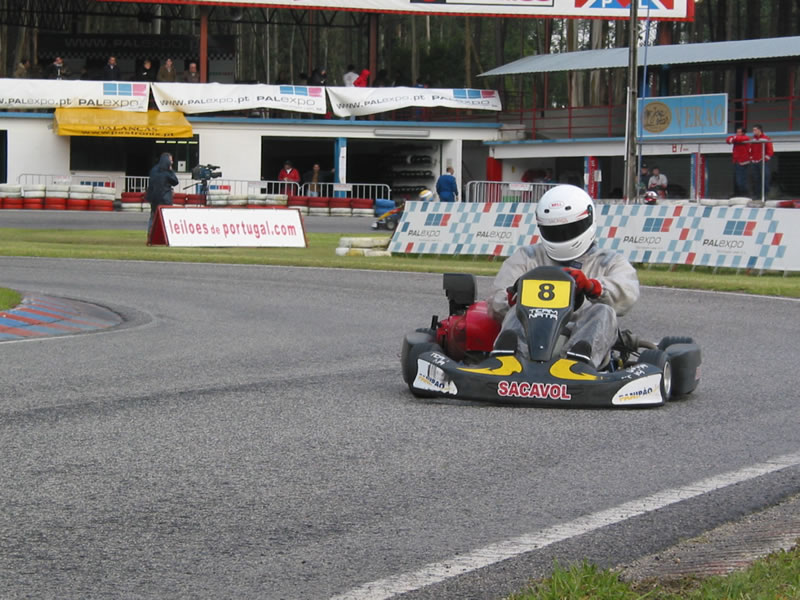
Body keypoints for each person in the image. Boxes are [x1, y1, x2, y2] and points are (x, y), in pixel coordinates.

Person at [487, 184, 640, 369]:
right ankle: (509, 360)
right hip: (533, 332)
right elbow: (496, 301)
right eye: (555, 231)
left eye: (570, 229)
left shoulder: (607, 261)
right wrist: (512, 296)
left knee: (604, 311)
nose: (562, 236)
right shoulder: (527, 256)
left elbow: (627, 293)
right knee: (516, 308)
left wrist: (592, 286)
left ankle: (576, 364)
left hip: (581, 330)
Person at [146, 153, 179, 244]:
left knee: (153, 217)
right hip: (165, 198)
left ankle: (150, 236)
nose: (172, 162)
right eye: (171, 160)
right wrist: (171, 171)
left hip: (153, 198)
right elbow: (175, 181)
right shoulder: (167, 171)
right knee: (167, 218)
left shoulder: (153, 170)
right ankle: (168, 237)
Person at [750, 124, 774, 199]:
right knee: (756, 179)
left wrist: (765, 158)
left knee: (765, 178)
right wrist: (751, 157)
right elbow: (751, 149)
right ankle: (757, 195)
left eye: (755, 130)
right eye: (753, 130)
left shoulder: (766, 138)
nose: (753, 131)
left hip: (762, 161)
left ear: (759, 130)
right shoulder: (753, 139)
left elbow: (770, 150)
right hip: (755, 161)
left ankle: (766, 195)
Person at [726, 127, 751, 197]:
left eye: (739, 132)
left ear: (743, 133)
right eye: (737, 132)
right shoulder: (736, 137)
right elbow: (728, 140)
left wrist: (733, 139)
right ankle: (737, 193)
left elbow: (739, 139)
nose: (737, 133)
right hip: (736, 161)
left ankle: (744, 194)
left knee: (741, 179)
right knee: (736, 179)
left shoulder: (746, 138)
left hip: (743, 161)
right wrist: (734, 138)